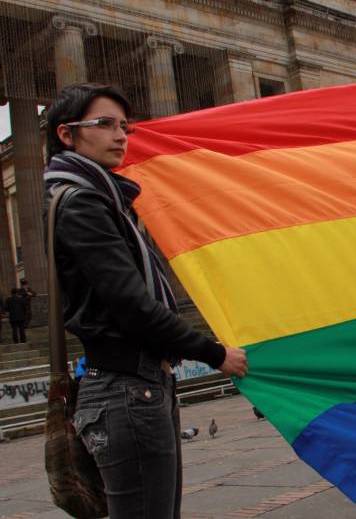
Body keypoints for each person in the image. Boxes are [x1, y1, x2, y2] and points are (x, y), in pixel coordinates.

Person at [44, 83, 248, 518]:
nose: (121, 136)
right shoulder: (84, 204)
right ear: (67, 134)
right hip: (125, 390)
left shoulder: (104, 199)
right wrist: (214, 354)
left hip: (136, 388)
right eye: (104, 124)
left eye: (124, 126)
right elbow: (132, 305)